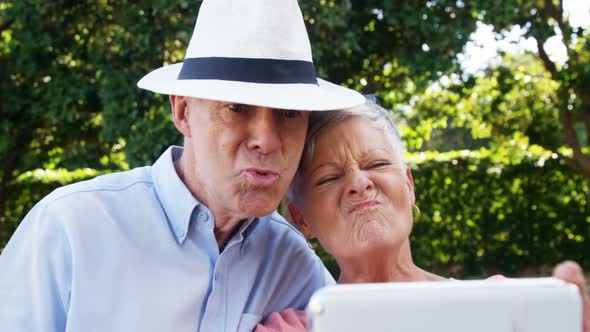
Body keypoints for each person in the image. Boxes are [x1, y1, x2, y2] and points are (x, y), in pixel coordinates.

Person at [0, 1, 365, 331]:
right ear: (183, 111)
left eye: (290, 113)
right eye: (237, 107)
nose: (266, 140)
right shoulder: (70, 229)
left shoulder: (294, 265)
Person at [255, 100, 590, 332]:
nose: (359, 183)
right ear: (302, 220)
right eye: (328, 178)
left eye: (377, 164)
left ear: (409, 186)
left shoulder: (504, 305)